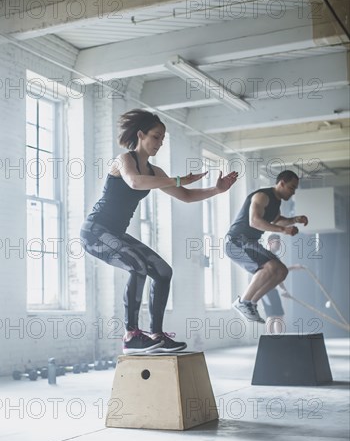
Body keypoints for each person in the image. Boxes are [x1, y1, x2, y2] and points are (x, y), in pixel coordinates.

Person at [81, 109, 238, 354]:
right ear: (141, 135)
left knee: (164, 272)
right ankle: (131, 335)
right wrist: (177, 180)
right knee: (137, 266)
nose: (159, 143)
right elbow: (134, 182)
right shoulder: (125, 160)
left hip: (116, 234)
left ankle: (157, 335)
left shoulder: (156, 172)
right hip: (95, 231)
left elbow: (185, 196)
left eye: (162, 139)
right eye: (156, 137)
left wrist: (216, 190)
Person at [225, 170, 308, 323]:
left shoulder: (276, 203)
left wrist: (294, 219)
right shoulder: (262, 196)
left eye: (295, 189)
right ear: (281, 183)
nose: (293, 192)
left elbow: (277, 220)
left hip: (250, 242)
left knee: (281, 271)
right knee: (270, 267)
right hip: (236, 241)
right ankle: (243, 301)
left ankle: (251, 302)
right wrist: (284, 230)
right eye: (291, 188)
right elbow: (254, 221)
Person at [261, 233, 305, 333]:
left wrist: (283, 289)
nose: (279, 245)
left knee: (279, 315)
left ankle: (279, 338)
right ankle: (270, 339)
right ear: (270, 242)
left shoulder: (275, 257)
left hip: (273, 290)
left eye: (280, 242)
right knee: (271, 315)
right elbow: (275, 272)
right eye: (277, 242)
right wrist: (293, 267)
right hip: (265, 291)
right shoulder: (265, 256)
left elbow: (279, 275)